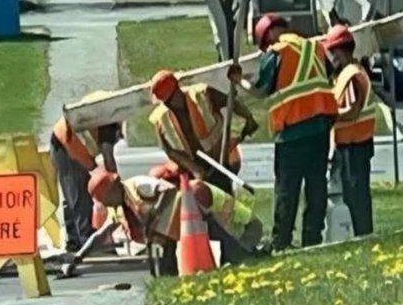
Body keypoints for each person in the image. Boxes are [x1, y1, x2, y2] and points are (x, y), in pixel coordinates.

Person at [230, 13, 337, 251]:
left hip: (292, 131)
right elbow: (328, 76)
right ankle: (312, 239)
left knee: (287, 188)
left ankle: (281, 240)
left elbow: (261, 91)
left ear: (266, 36)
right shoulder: (314, 47)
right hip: (320, 128)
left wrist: (239, 81)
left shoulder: (277, 53)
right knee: (316, 185)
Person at [88, 166, 261, 275]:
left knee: (228, 249)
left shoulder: (140, 186)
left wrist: (153, 219)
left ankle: (248, 256)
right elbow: (102, 234)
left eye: (106, 200)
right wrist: (78, 257)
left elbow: (167, 190)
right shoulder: (123, 205)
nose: (107, 205)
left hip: (245, 229)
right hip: (200, 233)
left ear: (113, 190)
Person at [148, 70, 258, 191]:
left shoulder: (202, 93)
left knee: (222, 195)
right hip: (195, 167)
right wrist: (195, 169)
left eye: (170, 100)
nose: (168, 105)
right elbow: (170, 151)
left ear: (177, 90)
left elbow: (233, 105)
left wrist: (246, 125)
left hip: (223, 158)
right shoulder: (161, 117)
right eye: (165, 102)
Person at [50, 92, 121, 252]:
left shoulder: (110, 117)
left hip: (73, 140)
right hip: (64, 145)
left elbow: (110, 162)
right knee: (79, 196)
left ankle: (74, 242)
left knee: (72, 197)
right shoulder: (103, 120)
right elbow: (106, 161)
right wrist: (101, 175)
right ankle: (88, 244)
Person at [323, 23, 375, 236]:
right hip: (356, 143)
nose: (331, 57)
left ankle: (363, 234)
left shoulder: (350, 75)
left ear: (340, 51)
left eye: (332, 52)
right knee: (356, 193)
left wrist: (329, 117)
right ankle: (363, 232)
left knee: (356, 195)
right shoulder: (354, 71)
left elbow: (352, 109)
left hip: (354, 145)